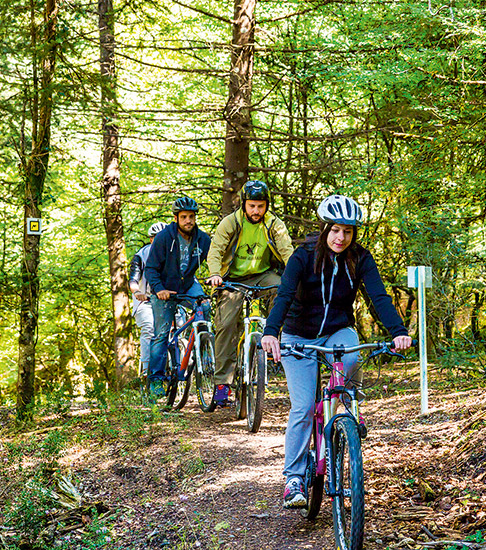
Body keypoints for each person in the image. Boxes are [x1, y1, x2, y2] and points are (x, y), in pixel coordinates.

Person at [261, 195, 412, 509]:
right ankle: (293, 479)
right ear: (324, 228)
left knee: (352, 357)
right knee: (303, 407)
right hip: (298, 335)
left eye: (348, 231)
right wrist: (271, 333)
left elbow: (379, 297)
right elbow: (284, 295)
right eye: (335, 230)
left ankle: (347, 404)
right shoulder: (303, 256)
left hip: (337, 331)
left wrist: (398, 331)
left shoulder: (361, 258)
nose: (341, 237)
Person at [206, 180, 294, 407]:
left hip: (263, 275)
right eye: (252, 206)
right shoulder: (230, 223)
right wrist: (215, 274)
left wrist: (296, 275)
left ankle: (274, 339)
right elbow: (216, 250)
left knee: (283, 290)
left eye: (261, 206)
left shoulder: (274, 224)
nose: (256, 211)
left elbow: (287, 251)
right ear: (244, 204)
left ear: (267, 206)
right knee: (226, 324)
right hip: (232, 279)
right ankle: (222, 383)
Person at [144, 196, 211, 398]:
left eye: (191, 216)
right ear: (176, 218)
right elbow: (151, 268)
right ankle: (156, 380)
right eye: (184, 217)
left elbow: (216, 261)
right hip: (164, 288)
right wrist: (159, 289)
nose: (188, 221)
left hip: (188, 285)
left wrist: (216, 277)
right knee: (161, 334)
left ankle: (204, 354)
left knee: (204, 306)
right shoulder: (164, 238)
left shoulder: (203, 239)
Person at [129, 222, 167, 377]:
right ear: (151, 240)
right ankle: (146, 369)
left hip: (169, 300)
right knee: (149, 328)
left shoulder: (175, 253)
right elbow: (133, 279)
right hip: (146, 300)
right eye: (157, 238)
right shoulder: (141, 255)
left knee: (179, 326)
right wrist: (137, 292)